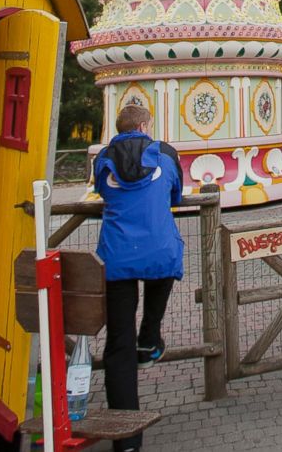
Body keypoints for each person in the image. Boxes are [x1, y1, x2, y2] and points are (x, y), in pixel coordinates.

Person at [94, 104, 183, 452]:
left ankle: (126, 438)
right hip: (160, 249)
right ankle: (150, 337)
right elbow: (175, 195)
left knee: (118, 343)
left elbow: (103, 191)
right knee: (162, 273)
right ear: (146, 125)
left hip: (116, 253)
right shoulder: (164, 154)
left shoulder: (104, 158)